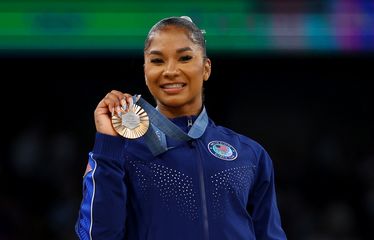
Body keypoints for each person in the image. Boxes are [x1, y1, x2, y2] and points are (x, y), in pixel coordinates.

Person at [75, 16, 287, 240]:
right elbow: (98, 236)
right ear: (145, 72)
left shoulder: (249, 154)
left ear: (206, 68)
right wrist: (107, 143)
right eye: (157, 61)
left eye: (185, 58)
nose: (170, 70)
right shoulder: (121, 152)